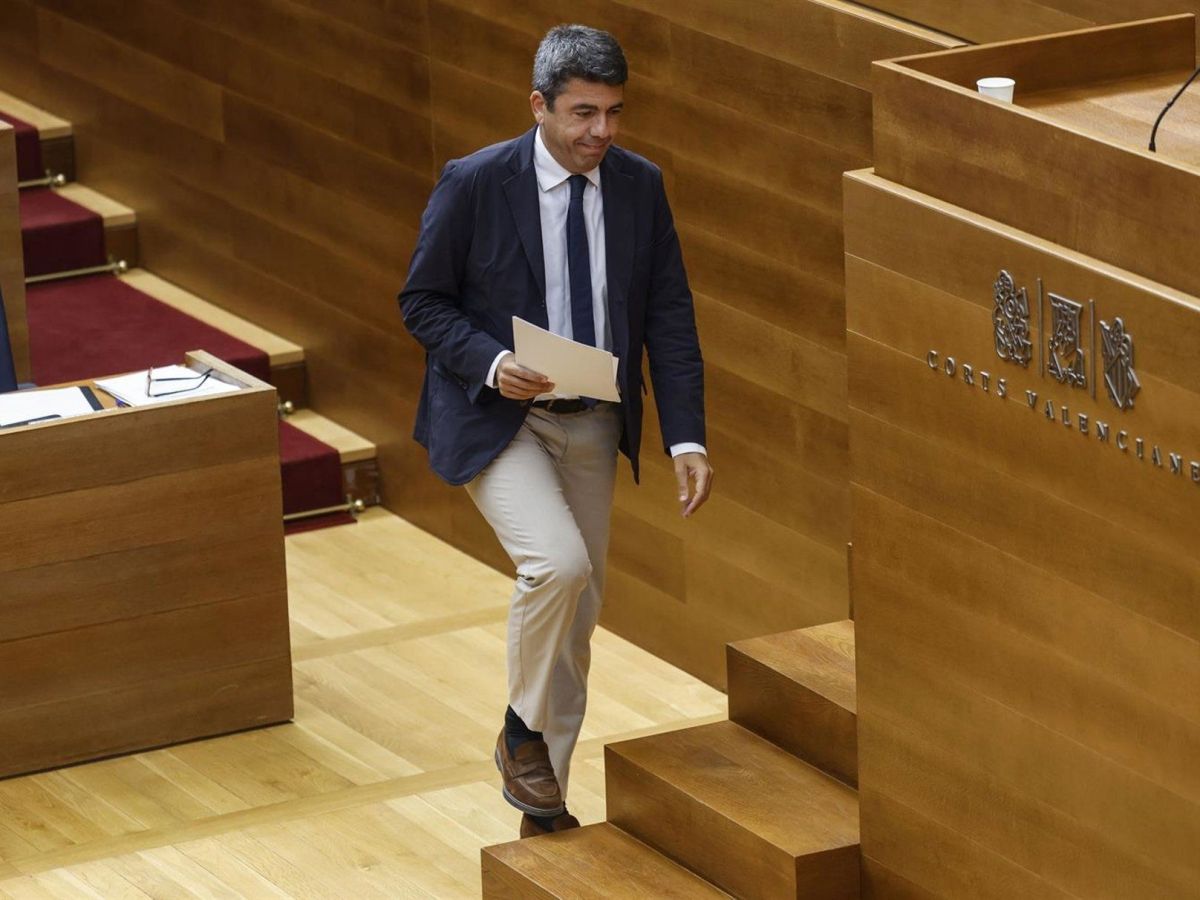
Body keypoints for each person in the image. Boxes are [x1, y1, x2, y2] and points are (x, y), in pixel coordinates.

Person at [398, 23, 712, 838]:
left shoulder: (640, 186)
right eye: (583, 113)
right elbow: (421, 301)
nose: (601, 131)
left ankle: (545, 810)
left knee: (575, 621)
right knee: (557, 567)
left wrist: (686, 437)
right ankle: (519, 732)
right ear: (538, 105)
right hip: (501, 418)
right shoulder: (476, 182)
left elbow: (669, 315)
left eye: (614, 112)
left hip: (595, 423)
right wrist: (492, 361)